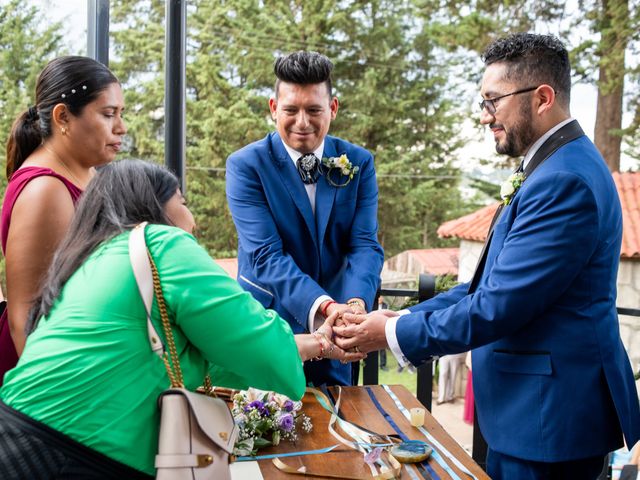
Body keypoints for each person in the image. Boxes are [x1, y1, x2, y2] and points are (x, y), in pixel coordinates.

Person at [334, 33, 640, 479]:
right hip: (532, 416)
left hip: (548, 422)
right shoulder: (552, 167)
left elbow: (498, 306)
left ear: (542, 98)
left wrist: (392, 334)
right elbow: (483, 286)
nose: (484, 116)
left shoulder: (564, 181)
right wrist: (394, 319)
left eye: (493, 101)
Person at [0, 160, 362, 479]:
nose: (193, 220)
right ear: (157, 206)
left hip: (18, 430)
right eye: (184, 203)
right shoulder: (161, 243)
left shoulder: (93, 260)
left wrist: (319, 343)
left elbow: (213, 354)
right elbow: (256, 339)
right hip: (76, 451)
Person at [226, 51, 384, 386]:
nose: (302, 121)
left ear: (333, 109)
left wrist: (353, 307)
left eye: (314, 109)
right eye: (290, 110)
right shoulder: (246, 166)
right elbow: (265, 256)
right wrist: (326, 307)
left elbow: (364, 245)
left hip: (340, 333)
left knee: (338, 425)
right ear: (273, 109)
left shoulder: (359, 162)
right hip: (271, 327)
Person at [0, 55, 127, 383]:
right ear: (63, 117)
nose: (121, 128)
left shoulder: (88, 174)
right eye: (108, 113)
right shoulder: (45, 190)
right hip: (46, 388)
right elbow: (25, 321)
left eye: (121, 114)